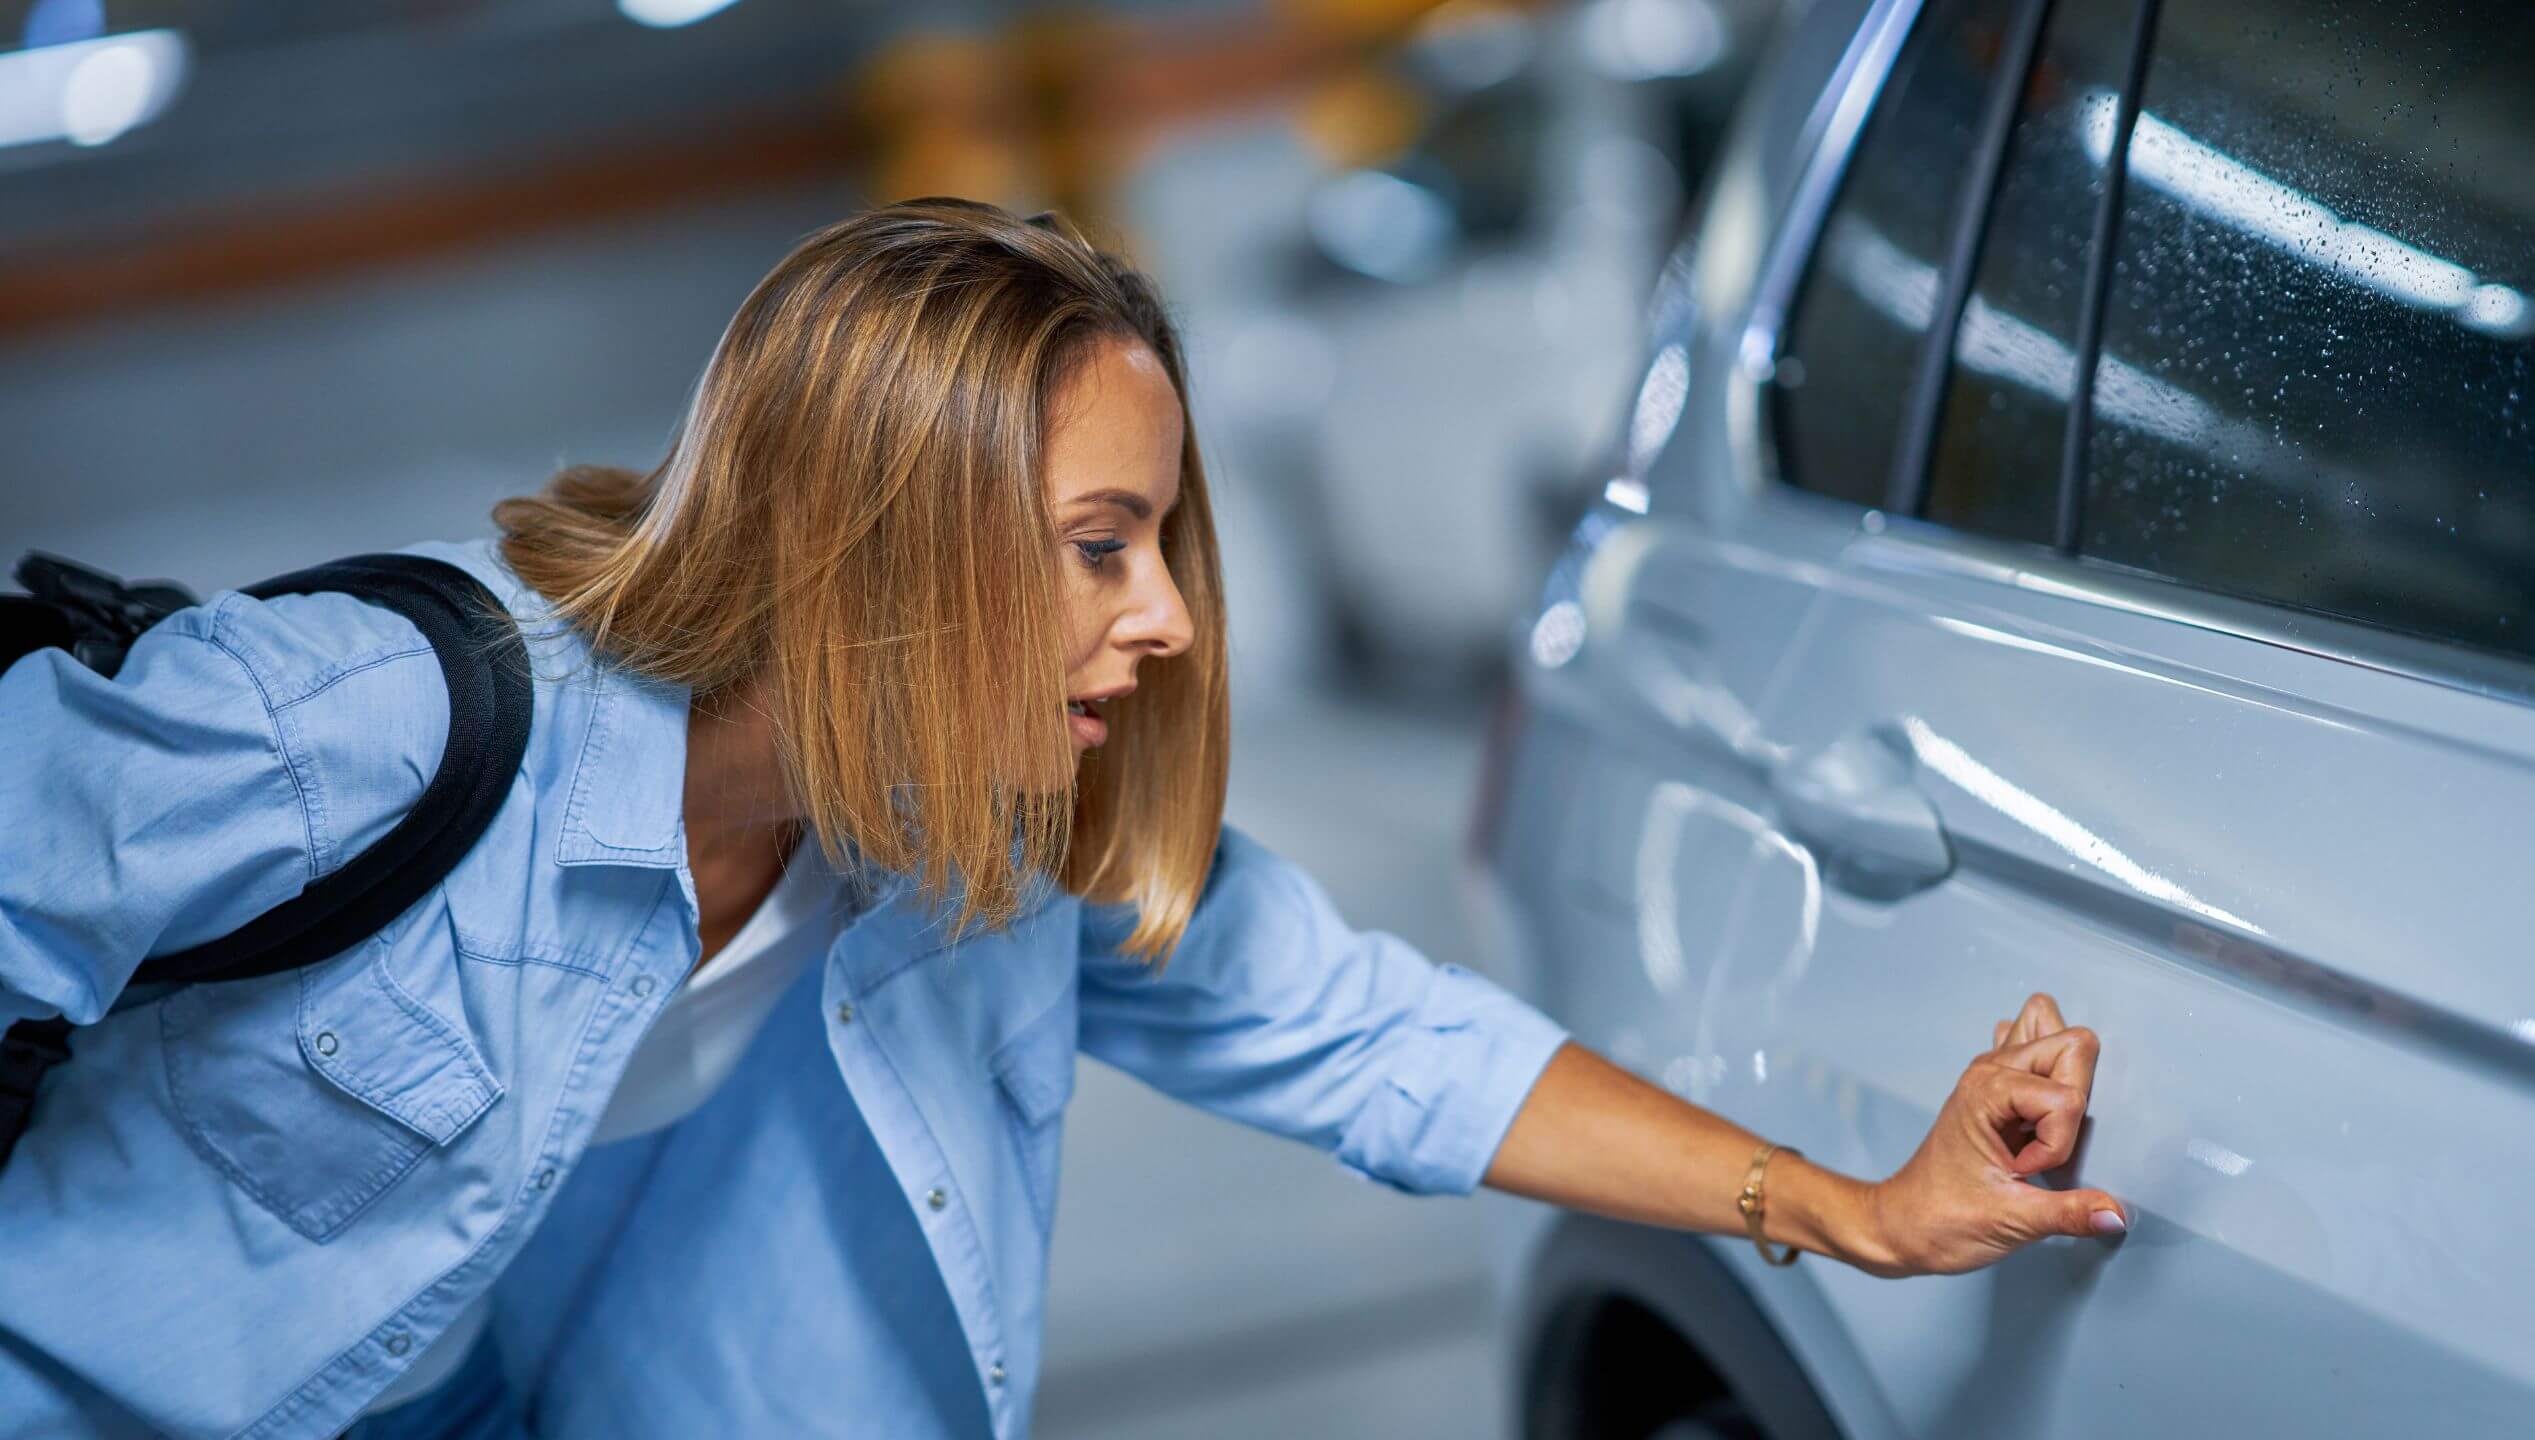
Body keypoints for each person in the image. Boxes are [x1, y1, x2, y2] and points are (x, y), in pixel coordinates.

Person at [0, 200, 2124, 1440]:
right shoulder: (368, 725)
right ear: (869, 538)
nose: (1170, 615)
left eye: (1162, 539)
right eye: (1098, 543)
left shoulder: (975, 850)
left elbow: (1381, 1036)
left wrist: (1855, 1208)